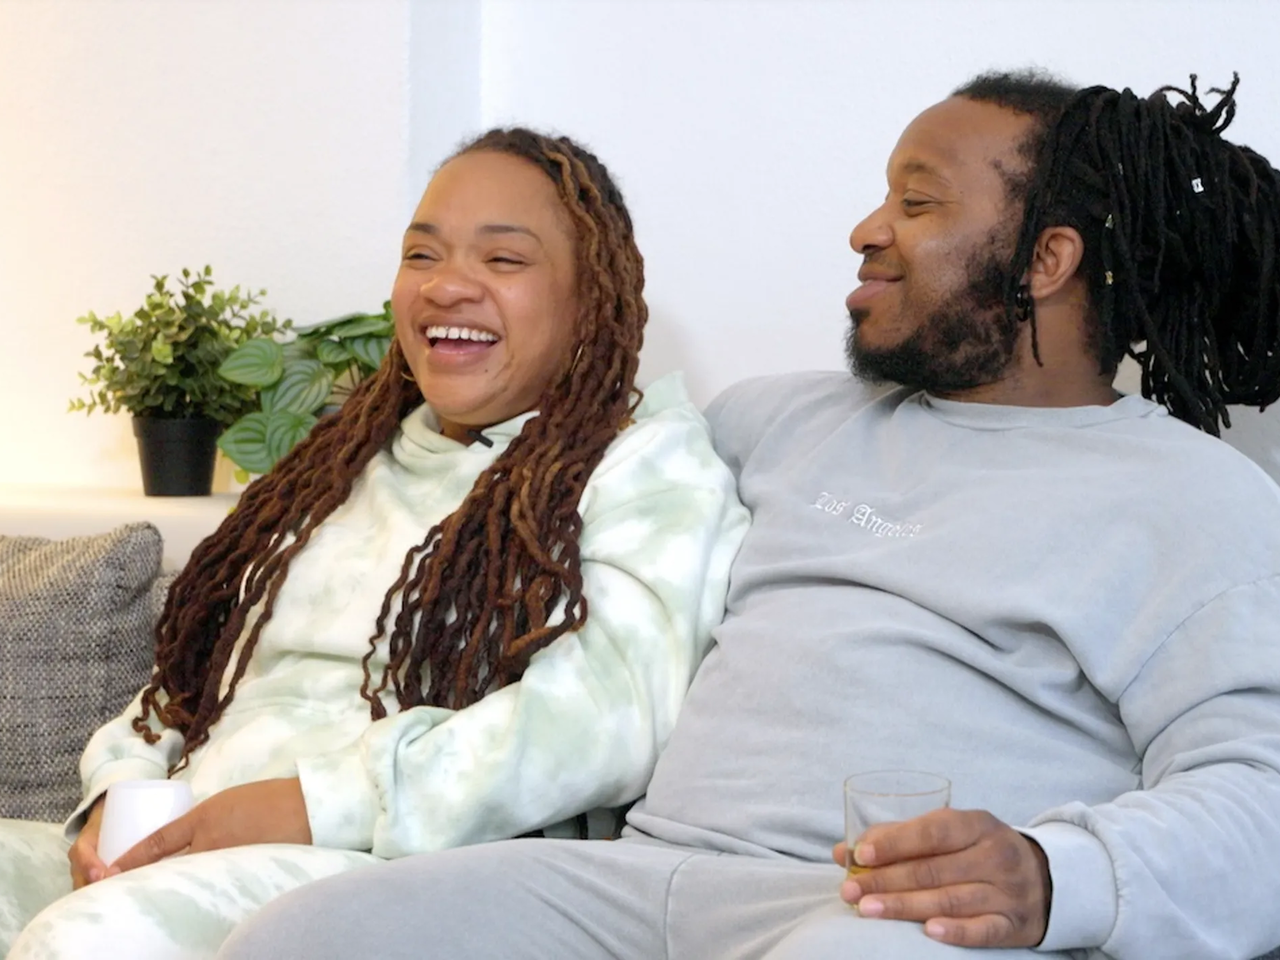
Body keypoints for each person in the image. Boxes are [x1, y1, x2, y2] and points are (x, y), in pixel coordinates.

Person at [217, 70, 1280, 960]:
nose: (866, 231)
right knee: (307, 936)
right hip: (634, 883)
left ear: (1046, 260)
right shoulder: (770, 422)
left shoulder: (1190, 498)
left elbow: (1260, 789)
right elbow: (548, 502)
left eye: (917, 204)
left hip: (880, 916)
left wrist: (1052, 874)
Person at [0, 128, 748, 957]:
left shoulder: (646, 465)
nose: (447, 285)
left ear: (590, 300)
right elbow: (191, 679)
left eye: (503, 260)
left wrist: (312, 803)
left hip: (397, 873)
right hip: (194, 838)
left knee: (96, 938)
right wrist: (121, 789)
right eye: (422, 255)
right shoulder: (343, 461)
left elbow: (605, 719)